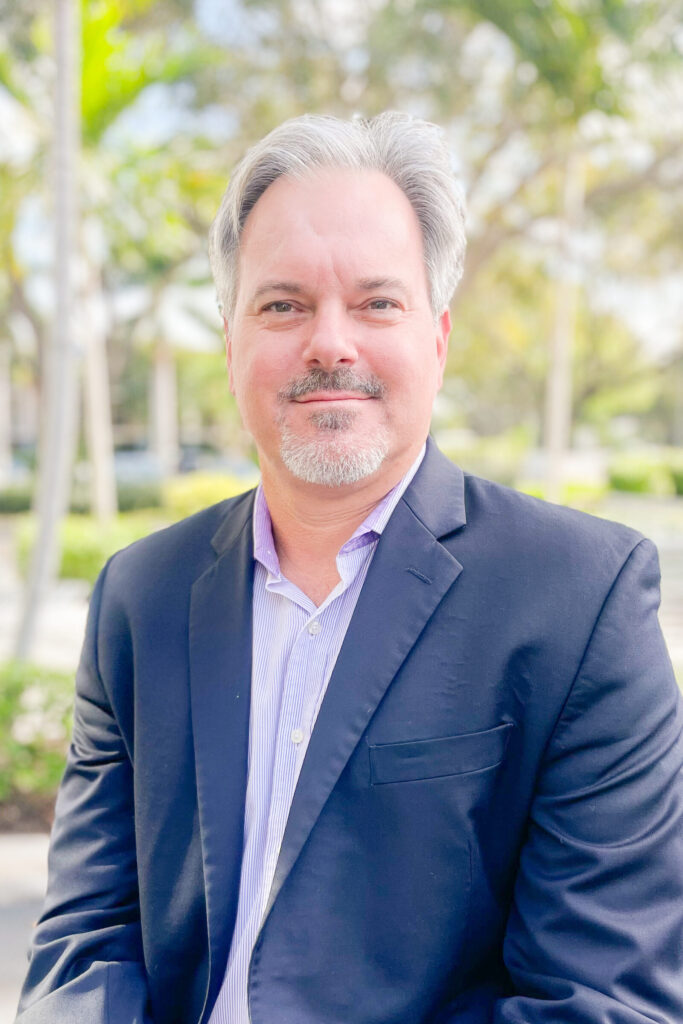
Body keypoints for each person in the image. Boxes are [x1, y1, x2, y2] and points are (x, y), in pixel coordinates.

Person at [16, 112, 683, 1024]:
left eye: (376, 303)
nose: (330, 343)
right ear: (230, 342)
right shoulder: (140, 596)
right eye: (282, 305)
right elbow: (85, 945)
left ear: (436, 340)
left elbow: (602, 1000)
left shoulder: (581, 600)